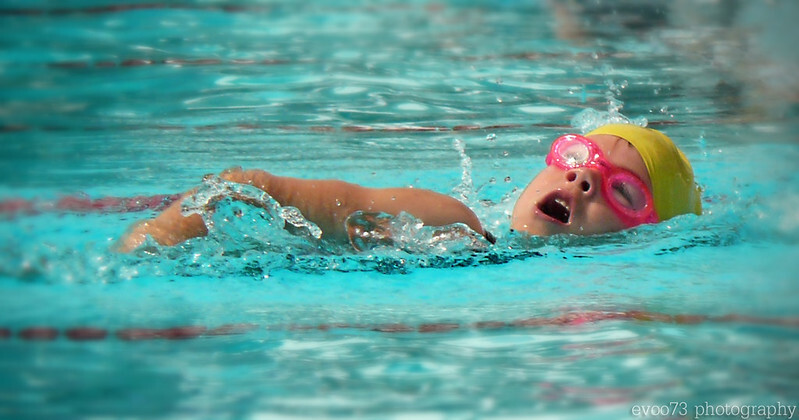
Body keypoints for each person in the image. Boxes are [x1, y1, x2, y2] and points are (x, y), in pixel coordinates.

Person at [116, 124, 702, 252]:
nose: (583, 177)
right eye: (576, 157)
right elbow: (249, 189)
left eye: (626, 193)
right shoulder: (452, 222)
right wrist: (151, 241)